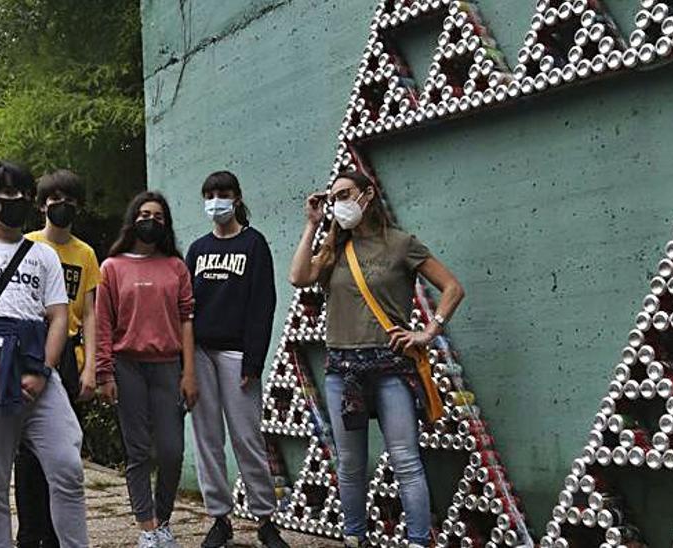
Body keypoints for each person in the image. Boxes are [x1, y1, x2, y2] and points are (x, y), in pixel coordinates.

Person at [288, 171, 465, 548]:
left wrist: (429, 331)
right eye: (334, 197)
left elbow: (452, 287)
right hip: (342, 370)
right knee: (351, 465)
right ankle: (355, 538)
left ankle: (418, 541)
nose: (339, 203)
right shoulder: (334, 248)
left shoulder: (400, 244)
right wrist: (312, 225)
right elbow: (298, 276)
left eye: (345, 194)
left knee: (405, 458)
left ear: (368, 195)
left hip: (391, 366)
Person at [0, 161, 89, 548]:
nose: (16, 201)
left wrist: (43, 369)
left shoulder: (42, 255)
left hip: (38, 367)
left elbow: (59, 315)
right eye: (6, 193)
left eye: (23, 194)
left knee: (67, 467)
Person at [185, 172, 290, 548]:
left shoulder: (254, 243)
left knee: (247, 437)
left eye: (223, 194)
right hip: (199, 354)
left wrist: (254, 362)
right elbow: (186, 309)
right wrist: (185, 365)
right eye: (210, 194)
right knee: (207, 438)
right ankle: (219, 519)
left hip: (237, 354)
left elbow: (263, 305)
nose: (216, 201)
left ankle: (265, 520)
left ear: (237, 197)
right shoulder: (197, 249)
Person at [95, 191, 198, 548]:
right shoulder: (112, 267)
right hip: (127, 367)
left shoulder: (176, 267)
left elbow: (187, 319)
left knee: (171, 451)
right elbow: (103, 322)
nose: (150, 220)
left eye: (157, 216)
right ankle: (148, 528)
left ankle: (165, 519)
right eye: (143, 214)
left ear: (165, 224)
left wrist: (189, 372)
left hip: (168, 366)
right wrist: (104, 373)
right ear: (132, 220)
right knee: (137, 451)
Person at [15, 169, 101, 548]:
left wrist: (92, 366)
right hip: (30, 349)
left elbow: (92, 314)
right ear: (41, 204)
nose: (60, 205)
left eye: (68, 199)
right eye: (53, 198)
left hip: (69, 355)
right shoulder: (26, 244)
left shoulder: (85, 254)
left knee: (64, 451)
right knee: (28, 452)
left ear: (78, 205)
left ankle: (55, 536)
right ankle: (29, 533)